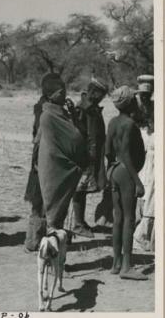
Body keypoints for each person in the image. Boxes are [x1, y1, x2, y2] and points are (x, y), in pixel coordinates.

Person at [37, 73, 87, 235]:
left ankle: (55, 239)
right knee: (53, 205)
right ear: (58, 93)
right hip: (55, 167)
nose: (66, 95)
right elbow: (75, 137)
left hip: (62, 164)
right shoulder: (48, 116)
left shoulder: (59, 112)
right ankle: (51, 244)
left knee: (59, 207)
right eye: (63, 92)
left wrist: (72, 114)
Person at [106, 85, 147, 280]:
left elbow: (108, 151)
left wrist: (110, 170)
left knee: (118, 218)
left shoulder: (113, 122)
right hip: (126, 172)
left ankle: (116, 263)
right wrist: (137, 181)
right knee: (129, 219)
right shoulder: (130, 124)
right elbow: (128, 156)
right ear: (131, 102)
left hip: (114, 171)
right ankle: (127, 266)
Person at [71, 78, 108, 238]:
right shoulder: (86, 109)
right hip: (86, 155)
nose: (101, 98)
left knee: (82, 189)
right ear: (93, 92)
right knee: (80, 188)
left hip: (86, 154)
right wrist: (92, 157)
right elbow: (89, 135)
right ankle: (78, 224)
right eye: (100, 95)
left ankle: (80, 222)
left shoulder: (87, 106)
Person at [23, 94, 47, 252]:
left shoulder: (39, 110)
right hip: (41, 168)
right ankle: (34, 241)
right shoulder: (45, 117)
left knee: (36, 207)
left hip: (37, 167)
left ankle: (32, 240)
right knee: (40, 206)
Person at [133, 76, 154, 252]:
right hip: (140, 151)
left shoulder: (154, 107)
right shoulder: (134, 107)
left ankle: (144, 231)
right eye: (143, 94)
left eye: (148, 94)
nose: (145, 97)